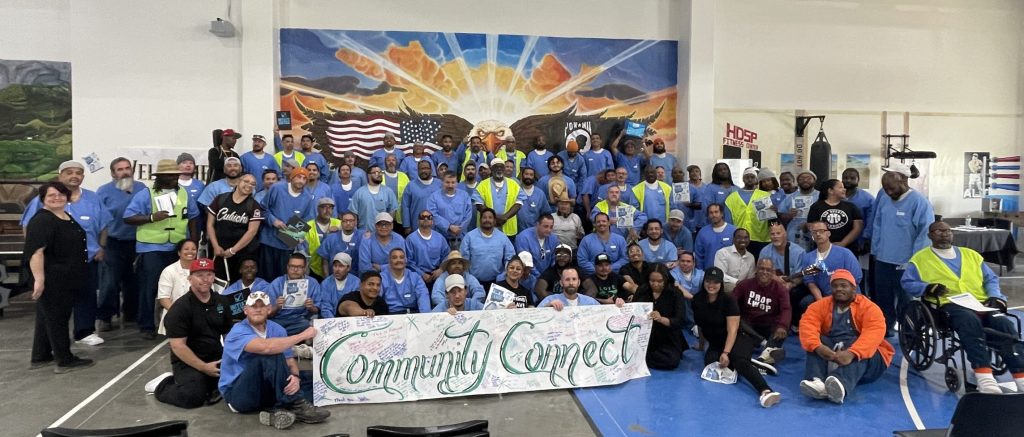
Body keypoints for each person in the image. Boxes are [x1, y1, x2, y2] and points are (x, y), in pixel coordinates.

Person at [901, 221, 1024, 393]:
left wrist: (996, 296)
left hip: (980, 303)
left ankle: (1020, 375)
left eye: (947, 230)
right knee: (969, 322)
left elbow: (991, 279)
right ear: (930, 235)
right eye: (938, 231)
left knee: (1004, 324)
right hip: (948, 304)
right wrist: (927, 288)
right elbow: (907, 283)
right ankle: (984, 376)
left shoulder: (971, 254)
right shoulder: (920, 259)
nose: (944, 234)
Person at [20, 161, 111, 346]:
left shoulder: (93, 198)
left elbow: (104, 225)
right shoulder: (45, 198)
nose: (74, 176)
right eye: (69, 172)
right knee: (55, 304)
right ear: (60, 174)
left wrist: (101, 247)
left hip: (88, 258)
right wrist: (36, 252)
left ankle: (84, 332)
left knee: (86, 296)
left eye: (79, 173)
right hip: (56, 263)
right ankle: (50, 343)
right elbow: (29, 227)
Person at [219, 292, 329, 429]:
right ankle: (295, 404)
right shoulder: (237, 331)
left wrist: (295, 377)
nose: (258, 309)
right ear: (246, 310)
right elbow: (267, 348)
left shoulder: (277, 329)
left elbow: (289, 360)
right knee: (272, 353)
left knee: (315, 380)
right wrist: (302, 335)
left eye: (262, 306)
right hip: (239, 394)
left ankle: (276, 411)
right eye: (253, 306)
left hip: (265, 388)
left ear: (269, 309)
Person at [125, 159, 201, 339]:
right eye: (170, 175)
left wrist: (193, 242)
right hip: (151, 247)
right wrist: (151, 217)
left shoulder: (183, 193)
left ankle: (176, 321)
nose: (174, 178)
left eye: (176, 175)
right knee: (149, 288)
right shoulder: (146, 194)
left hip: (176, 247)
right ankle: (146, 326)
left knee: (178, 286)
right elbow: (128, 217)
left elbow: (193, 217)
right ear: (159, 176)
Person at [145, 258, 232, 408]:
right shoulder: (180, 309)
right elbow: (178, 346)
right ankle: (163, 384)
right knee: (192, 397)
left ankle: (209, 384)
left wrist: (230, 360)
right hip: (188, 361)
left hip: (216, 357)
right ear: (189, 278)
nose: (205, 280)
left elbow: (228, 334)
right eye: (200, 275)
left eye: (209, 275)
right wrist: (204, 367)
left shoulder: (222, 302)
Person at [27, 182, 94, 373]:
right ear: (43, 199)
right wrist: (39, 280)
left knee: (45, 317)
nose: (57, 198)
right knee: (57, 318)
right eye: (51, 195)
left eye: (61, 194)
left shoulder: (64, 215)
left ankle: (40, 356)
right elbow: (36, 252)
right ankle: (64, 360)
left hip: (67, 276)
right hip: (53, 278)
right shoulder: (42, 220)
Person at [799, 269, 892, 405]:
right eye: (835, 286)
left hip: (865, 362)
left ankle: (839, 384)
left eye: (843, 285)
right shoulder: (820, 306)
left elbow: (874, 332)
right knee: (817, 341)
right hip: (834, 355)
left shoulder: (869, 308)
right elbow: (808, 325)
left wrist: (853, 353)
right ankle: (817, 381)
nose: (839, 289)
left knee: (863, 346)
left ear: (854, 288)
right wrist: (818, 347)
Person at [692, 267, 781, 408]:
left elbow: (732, 330)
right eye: (708, 281)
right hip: (716, 343)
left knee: (739, 361)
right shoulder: (697, 300)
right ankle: (753, 364)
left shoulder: (728, 300)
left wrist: (726, 353)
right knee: (710, 363)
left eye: (715, 282)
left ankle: (765, 391)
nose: (711, 285)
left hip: (739, 338)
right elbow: (701, 326)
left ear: (721, 284)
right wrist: (702, 345)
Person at [871, 163, 934, 335]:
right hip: (883, 259)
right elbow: (877, 224)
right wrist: (875, 251)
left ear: (904, 180)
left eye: (891, 188)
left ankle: (910, 331)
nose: (888, 192)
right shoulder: (883, 197)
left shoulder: (919, 202)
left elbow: (924, 234)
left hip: (906, 262)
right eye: (885, 188)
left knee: (906, 299)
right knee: (883, 297)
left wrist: (914, 261)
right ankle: (885, 328)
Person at [97, 157, 147, 331]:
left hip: (138, 241)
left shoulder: (142, 189)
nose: (125, 172)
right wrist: (99, 245)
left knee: (134, 281)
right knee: (110, 282)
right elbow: (99, 219)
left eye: (127, 168)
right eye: (120, 169)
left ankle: (131, 313)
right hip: (113, 242)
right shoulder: (103, 192)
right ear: (113, 173)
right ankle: (106, 317)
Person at [257, 166, 316, 281]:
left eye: (305, 178)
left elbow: (305, 218)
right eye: (299, 177)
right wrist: (274, 221)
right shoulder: (277, 188)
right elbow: (262, 209)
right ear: (292, 177)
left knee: (282, 278)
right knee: (266, 276)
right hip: (269, 241)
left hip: (287, 245)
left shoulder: (308, 197)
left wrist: (296, 235)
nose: (301, 181)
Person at [795, 221, 862, 320]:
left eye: (821, 231)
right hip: (825, 297)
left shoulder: (845, 253)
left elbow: (856, 278)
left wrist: (844, 298)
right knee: (806, 302)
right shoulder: (808, 258)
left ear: (828, 233)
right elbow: (811, 283)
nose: (818, 234)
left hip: (848, 295)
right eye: (814, 232)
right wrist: (821, 302)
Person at [206, 173, 262, 282]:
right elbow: (210, 224)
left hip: (242, 253)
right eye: (246, 181)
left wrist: (233, 250)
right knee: (218, 282)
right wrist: (215, 246)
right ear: (238, 182)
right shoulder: (221, 199)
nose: (249, 185)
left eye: (253, 184)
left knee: (239, 283)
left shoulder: (254, 206)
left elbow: (252, 231)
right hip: (219, 250)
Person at [735, 258, 791, 365]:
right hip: (748, 327)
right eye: (762, 269)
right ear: (756, 269)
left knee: (782, 329)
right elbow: (732, 303)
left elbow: (786, 309)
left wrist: (783, 325)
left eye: (768, 270)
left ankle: (762, 359)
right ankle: (766, 347)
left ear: (773, 272)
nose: (764, 272)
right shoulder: (744, 285)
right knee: (735, 320)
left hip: (769, 326)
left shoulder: (780, 289)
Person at [635, 264, 687, 369]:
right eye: (652, 280)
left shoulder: (675, 293)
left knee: (671, 361)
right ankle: (644, 357)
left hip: (668, 336)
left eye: (659, 281)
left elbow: (680, 320)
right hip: (646, 335)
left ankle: (643, 358)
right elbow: (633, 311)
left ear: (666, 279)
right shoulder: (642, 290)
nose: (655, 284)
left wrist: (661, 319)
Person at [267, 254, 325, 335]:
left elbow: (317, 310)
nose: (295, 269)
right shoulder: (277, 283)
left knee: (308, 325)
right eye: (292, 266)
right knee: (268, 326)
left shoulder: (312, 283)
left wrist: (311, 307)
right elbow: (268, 313)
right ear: (287, 267)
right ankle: (285, 335)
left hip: (300, 320)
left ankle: (282, 335)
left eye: (299, 267)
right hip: (279, 319)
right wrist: (277, 306)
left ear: (305, 268)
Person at [459, 208, 516, 289]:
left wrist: (504, 276)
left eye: (490, 217)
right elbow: (463, 260)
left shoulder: (502, 237)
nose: (487, 220)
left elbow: (510, 257)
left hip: (497, 283)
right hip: (474, 282)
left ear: (494, 221)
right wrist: (468, 279)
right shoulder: (469, 237)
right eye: (484, 217)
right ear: (480, 220)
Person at [724, 167, 771, 255]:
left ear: (756, 179)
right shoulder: (732, 197)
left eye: (752, 177)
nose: (749, 179)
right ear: (743, 179)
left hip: (761, 238)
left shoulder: (765, 196)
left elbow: (771, 220)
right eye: (747, 177)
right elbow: (728, 221)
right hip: (740, 239)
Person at [473, 159, 526, 237]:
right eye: (496, 167)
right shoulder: (482, 185)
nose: (499, 169)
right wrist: (493, 218)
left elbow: (519, 203)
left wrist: (506, 217)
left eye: (501, 167)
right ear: (491, 169)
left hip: (508, 228)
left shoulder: (513, 184)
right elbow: (479, 204)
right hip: (487, 227)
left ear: (504, 169)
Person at [156, 240, 199, 335]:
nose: (190, 252)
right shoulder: (169, 271)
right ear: (179, 252)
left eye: (193, 249)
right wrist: (179, 314)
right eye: (186, 249)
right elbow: (163, 299)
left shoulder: (202, 269)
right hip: (175, 314)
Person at [807, 179, 864, 250]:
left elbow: (858, 227)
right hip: (822, 249)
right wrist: (826, 244)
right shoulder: (816, 207)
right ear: (830, 190)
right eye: (840, 187)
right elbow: (811, 227)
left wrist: (843, 243)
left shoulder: (851, 206)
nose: (844, 190)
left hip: (847, 249)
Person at [405, 209, 450, 289]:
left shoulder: (440, 238)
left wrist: (441, 269)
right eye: (422, 217)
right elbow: (408, 261)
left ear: (432, 221)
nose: (426, 219)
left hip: (437, 276)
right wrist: (422, 274)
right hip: (417, 277)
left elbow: (447, 255)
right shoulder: (410, 239)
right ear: (418, 221)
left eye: (429, 217)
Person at [379, 248, 431, 314]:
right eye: (395, 258)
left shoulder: (415, 277)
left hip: (412, 314)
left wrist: (425, 317)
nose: (399, 260)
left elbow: (423, 298)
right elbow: (377, 300)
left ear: (405, 260)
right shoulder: (382, 278)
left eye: (402, 257)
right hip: (390, 315)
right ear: (389, 261)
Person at [428, 171, 474, 245]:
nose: (450, 185)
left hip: (460, 236)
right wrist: (448, 226)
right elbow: (433, 215)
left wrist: (460, 228)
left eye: (453, 182)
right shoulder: (434, 197)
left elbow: (468, 214)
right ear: (442, 182)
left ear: (457, 183)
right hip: (440, 236)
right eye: (447, 182)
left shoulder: (464, 196)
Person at [349, 165, 398, 232]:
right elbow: (354, 214)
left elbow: (392, 212)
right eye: (376, 172)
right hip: (364, 233)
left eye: (380, 172)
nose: (379, 174)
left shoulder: (388, 192)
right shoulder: (359, 192)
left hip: (383, 233)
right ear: (369, 175)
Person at [778, 171, 817, 250]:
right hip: (794, 236)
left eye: (808, 178)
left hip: (816, 235)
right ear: (797, 182)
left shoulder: (821, 196)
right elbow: (780, 215)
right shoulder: (790, 198)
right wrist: (788, 215)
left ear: (814, 181)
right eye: (802, 179)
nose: (805, 180)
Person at [401, 160, 442, 235]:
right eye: (421, 169)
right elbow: (405, 206)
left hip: (437, 227)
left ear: (431, 170)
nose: (423, 171)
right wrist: (407, 225)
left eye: (426, 168)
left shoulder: (440, 184)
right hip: (416, 227)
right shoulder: (411, 186)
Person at [538, 267, 608, 310]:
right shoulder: (550, 300)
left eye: (574, 279)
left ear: (579, 282)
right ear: (561, 283)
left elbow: (602, 315)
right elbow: (535, 316)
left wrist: (618, 305)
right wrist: (548, 306)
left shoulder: (590, 302)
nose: (571, 283)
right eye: (567, 279)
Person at [304, 197, 340, 280]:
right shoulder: (308, 225)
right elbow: (289, 240)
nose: (327, 210)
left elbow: (354, 232)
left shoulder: (339, 223)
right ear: (317, 209)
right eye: (324, 207)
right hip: (313, 269)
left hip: (335, 269)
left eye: (330, 208)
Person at [515, 214, 559, 279]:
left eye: (551, 227)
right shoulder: (523, 238)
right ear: (537, 225)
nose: (549, 230)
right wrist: (540, 277)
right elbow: (526, 262)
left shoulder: (554, 238)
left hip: (548, 276)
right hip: (529, 276)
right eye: (545, 226)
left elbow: (554, 260)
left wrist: (549, 276)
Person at [316, 211, 361, 275]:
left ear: (355, 222)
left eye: (351, 221)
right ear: (341, 222)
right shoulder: (331, 238)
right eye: (345, 221)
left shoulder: (362, 237)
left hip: (356, 278)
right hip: (334, 277)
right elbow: (324, 261)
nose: (348, 223)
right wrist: (327, 278)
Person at [842, 168, 874, 257]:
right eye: (845, 178)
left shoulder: (868, 199)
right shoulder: (836, 196)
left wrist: (865, 239)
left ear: (858, 180)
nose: (848, 180)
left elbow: (871, 220)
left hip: (859, 241)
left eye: (852, 178)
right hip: (838, 240)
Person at [318, 253, 360, 318]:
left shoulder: (356, 283)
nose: (337, 270)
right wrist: (334, 322)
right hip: (330, 320)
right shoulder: (325, 284)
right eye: (335, 266)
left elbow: (356, 306)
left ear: (348, 268)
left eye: (341, 266)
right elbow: (325, 307)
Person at [694, 204, 736, 270]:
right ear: (708, 215)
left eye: (716, 212)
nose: (713, 215)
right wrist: (701, 273)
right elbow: (699, 255)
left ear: (722, 214)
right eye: (711, 213)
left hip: (729, 273)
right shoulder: (703, 232)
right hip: (708, 273)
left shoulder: (733, 231)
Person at [714, 228, 755, 293]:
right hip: (725, 286)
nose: (743, 240)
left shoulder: (751, 257)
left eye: (746, 237)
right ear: (733, 239)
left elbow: (751, 278)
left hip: (744, 288)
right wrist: (738, 282)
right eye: (739, 237)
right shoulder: (722, 253)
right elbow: (720, 275)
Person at [684, 165, 708, 234]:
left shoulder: (706, 187)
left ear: (700, 174)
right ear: (689, 174)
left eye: (696, 171)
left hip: (702, 220)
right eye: (692, 172)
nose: (694, 173)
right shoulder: (684, 186)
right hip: (688, 219)